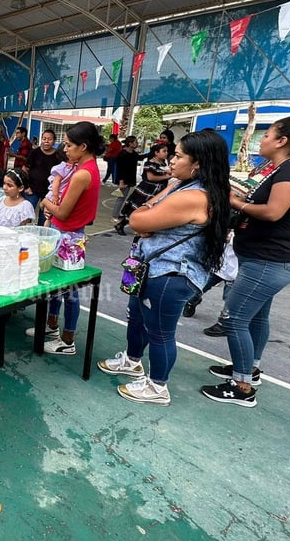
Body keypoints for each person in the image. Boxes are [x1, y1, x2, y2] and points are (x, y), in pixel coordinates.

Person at [200, 113, 290, 408]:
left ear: (282, 141)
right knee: (257, 317)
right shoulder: (286, 168)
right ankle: (249, 369)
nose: (262, 139)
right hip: (262, 258)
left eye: (267, 134)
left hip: (269, 260)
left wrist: (233, 202)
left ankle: (242, 386)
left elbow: (273, 212)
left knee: (234, 319)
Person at [98, 130, 231, 406]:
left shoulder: (194, 196)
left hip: (170, 276)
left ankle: (158, 386)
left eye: (179, 156)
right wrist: (164, 193)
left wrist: (146, 215)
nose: (171, 161)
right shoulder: (183, 186)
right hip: (152, 270)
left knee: (160, 333)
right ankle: (132, 361)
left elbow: (137, 220)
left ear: (198, 164)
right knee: (136, 316)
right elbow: (146, 215)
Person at [30, 122, 104, 353]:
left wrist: (44, 201)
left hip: (69, 236)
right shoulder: (77, 168)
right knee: (55, 286)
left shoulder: (83, 173)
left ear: (83, 146)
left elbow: (62, 210)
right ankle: (52, 325)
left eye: (70, 145)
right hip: (63, 231)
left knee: (69, 290)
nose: (66, 148)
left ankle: (68, 340)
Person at [113, 143, 172, 235]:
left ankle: (143, 228)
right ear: (156, 153)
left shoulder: (163, 163)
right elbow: (150, 178)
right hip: (147, 190)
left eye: (167, 151)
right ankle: (121, 224)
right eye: (164, 151)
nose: (166, 153)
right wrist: (166, 177)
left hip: (157, 191)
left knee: (150, 210)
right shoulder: (150, 164)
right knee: (136, 208)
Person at [24, 128, 62, 219]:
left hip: (49, 192)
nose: (46, 141)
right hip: (32, 189)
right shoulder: (35, 152)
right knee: (26, 215)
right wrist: (27, 186)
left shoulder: (58, 155)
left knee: (45, 217)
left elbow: (61, 174)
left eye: (49, 139)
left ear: (54, 141)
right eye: (44, 139)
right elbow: (25, 169)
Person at [112, 136, 139, 219]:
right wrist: (121, 181)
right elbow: (120, 169)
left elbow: (140, 157)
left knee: (123, 197)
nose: (137, 144)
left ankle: (117, 214)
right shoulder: (122, 154)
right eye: (135, 142)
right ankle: (115, 215)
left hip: (130, 178)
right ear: (130, 143)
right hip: (123, 179)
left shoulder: (134, 154)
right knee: (121, 198)